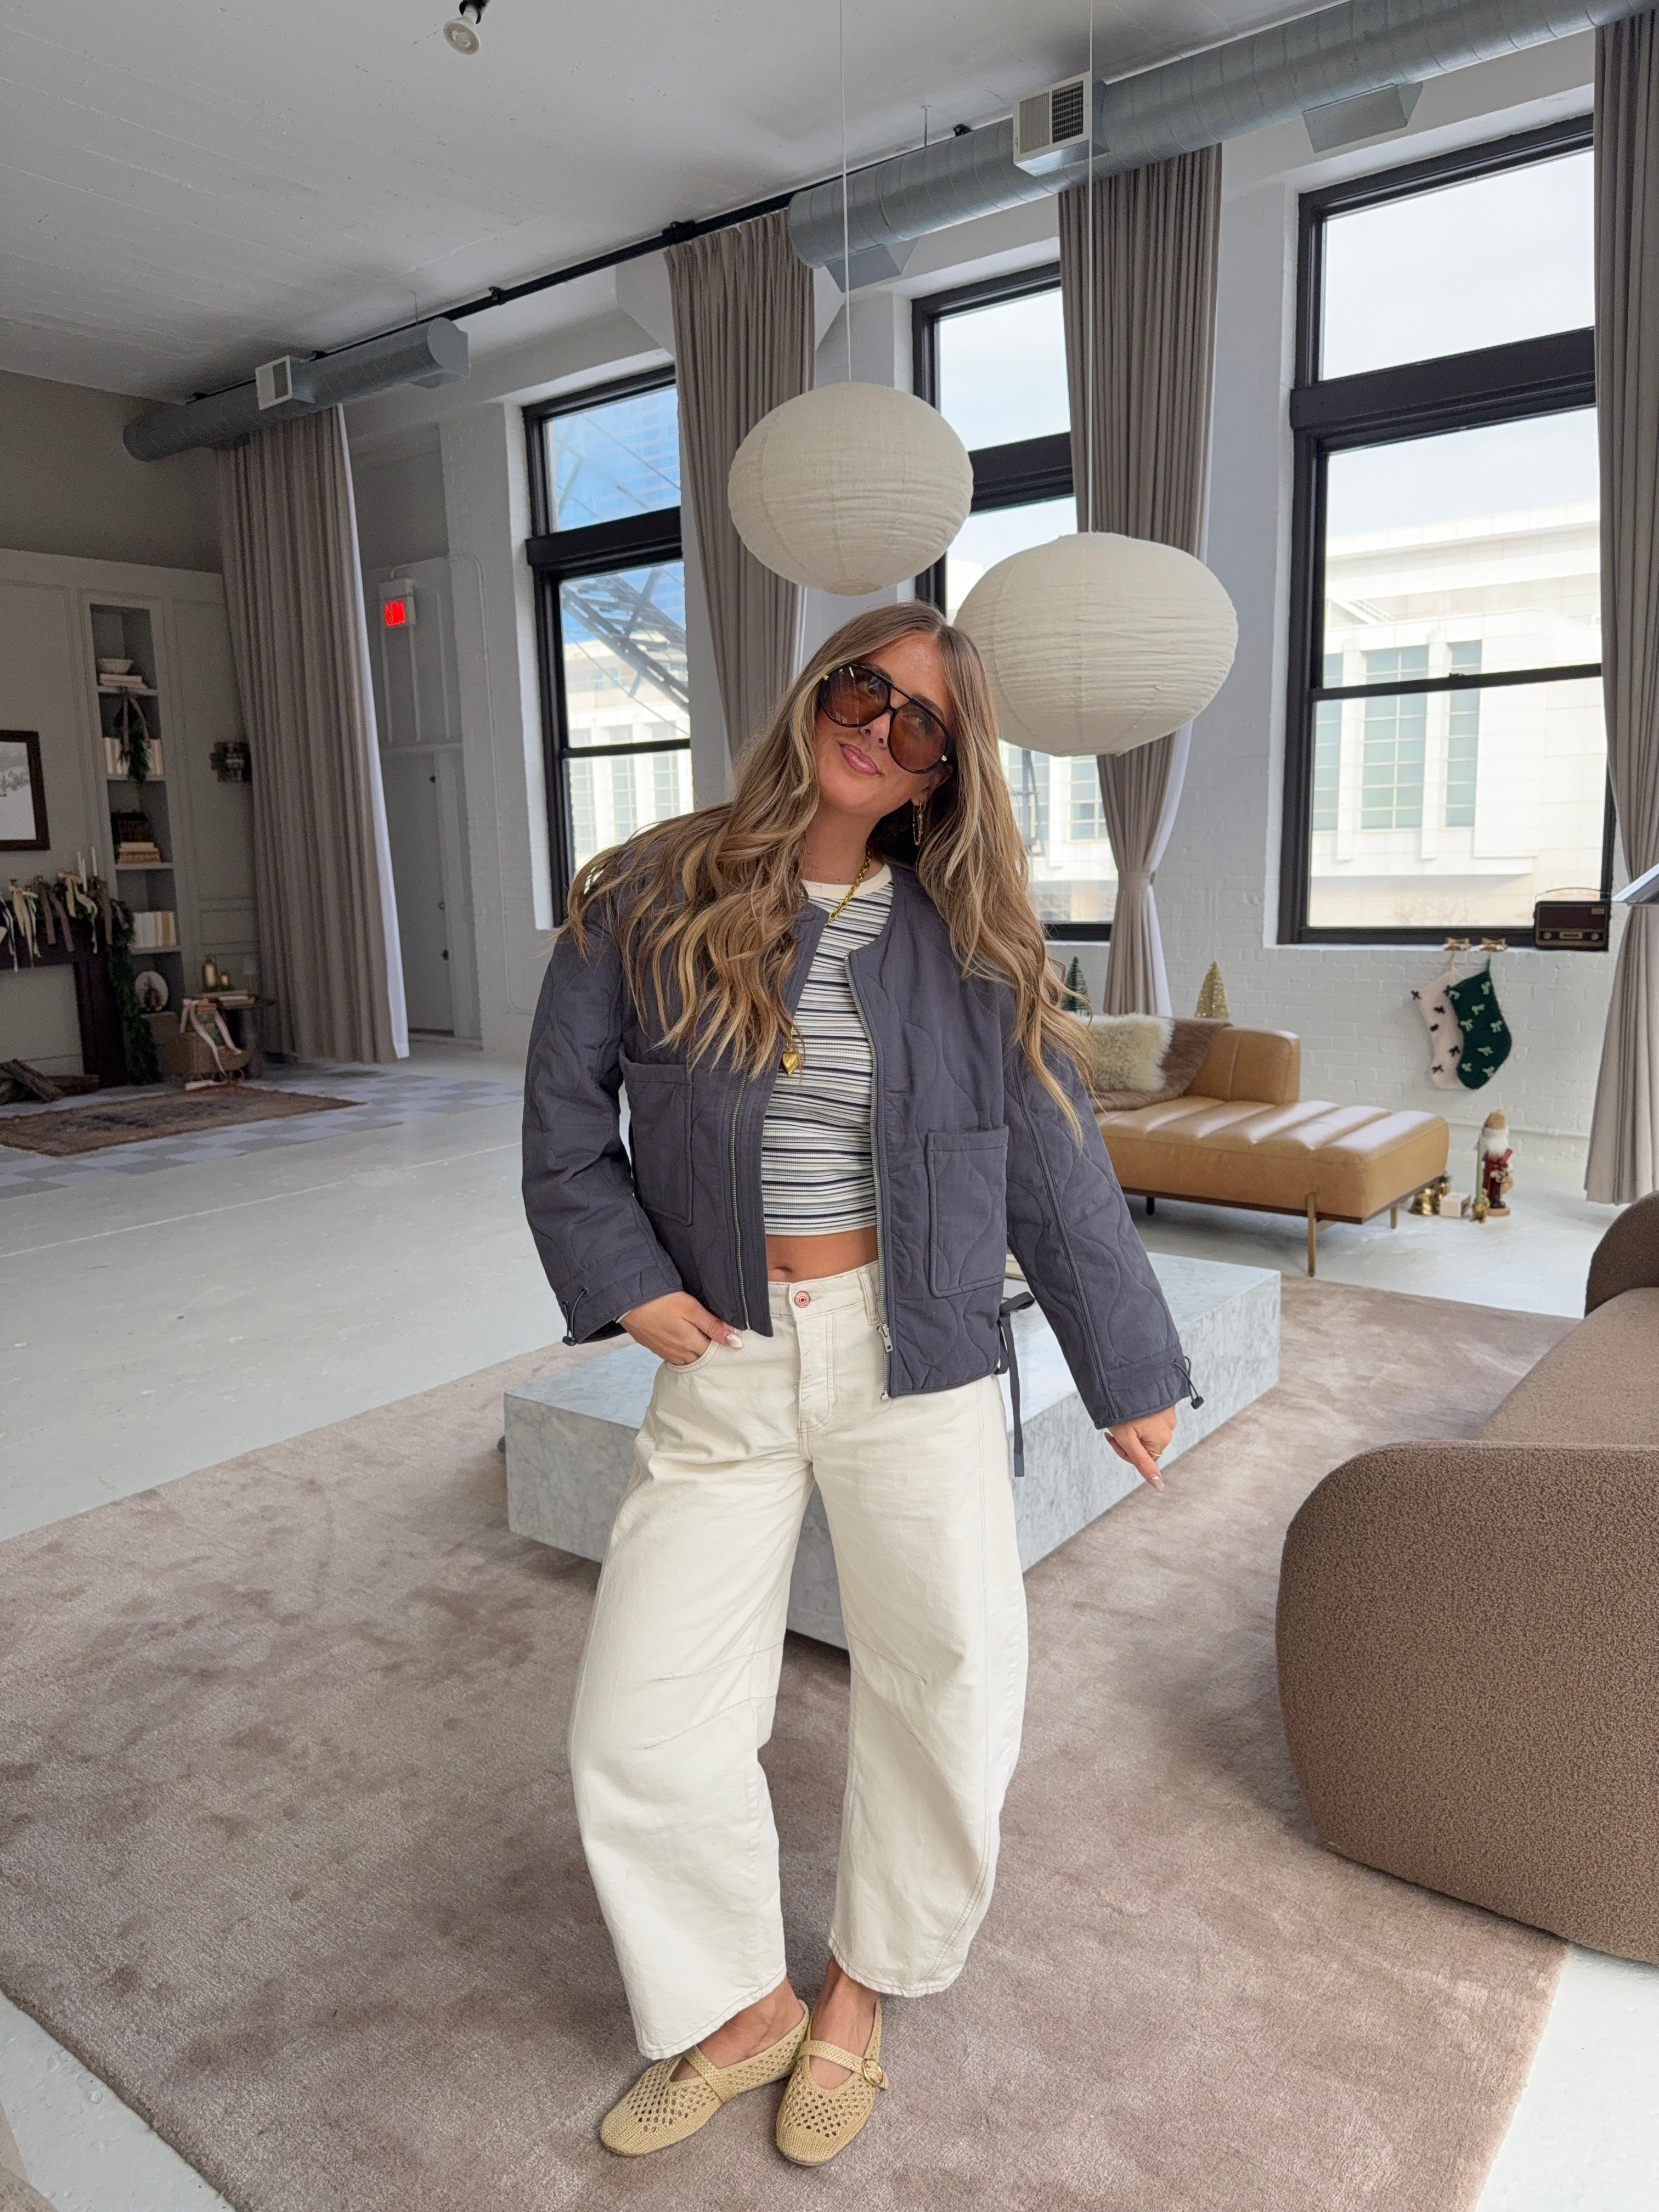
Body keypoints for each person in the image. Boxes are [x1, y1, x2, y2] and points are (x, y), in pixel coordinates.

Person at [522, 601, 1193, 2168]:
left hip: (922, 1347)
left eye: (921, 724)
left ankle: (863, 1988)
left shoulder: (973, 940)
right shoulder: (646, 891)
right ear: (816, 690)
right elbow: (564, 1123)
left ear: (945, 771)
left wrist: (1126, 1366)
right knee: (640, 1717)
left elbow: (1054, 1158)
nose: (878, 730)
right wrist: (628, 1279)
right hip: (728, 1355)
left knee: (945, 1679)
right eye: (862, 690)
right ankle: (739, 2004)